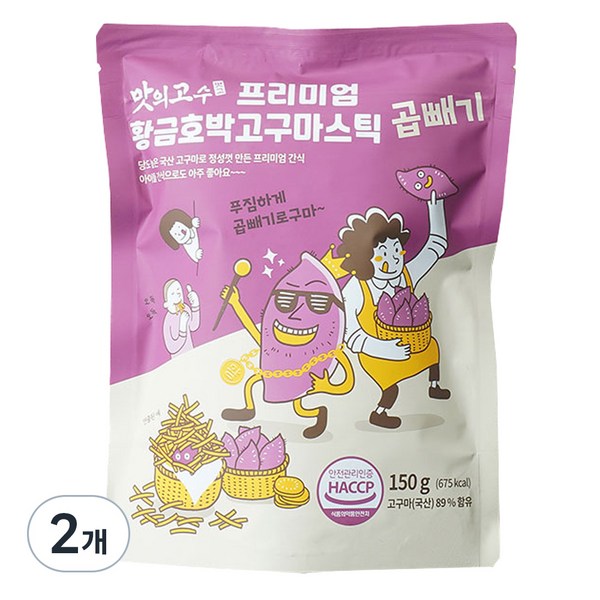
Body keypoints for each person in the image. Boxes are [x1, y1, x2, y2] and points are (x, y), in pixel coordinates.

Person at [338, 200, 450, 430]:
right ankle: (379, 413)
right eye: (382, 256)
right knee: (390, 384)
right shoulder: (355, 288)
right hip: (375, 352)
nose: (394, 260)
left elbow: (436, 247)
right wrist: (382, 348)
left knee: (433, 350)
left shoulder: (406, 273)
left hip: (414, 342)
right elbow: (349, 333)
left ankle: (434, 386)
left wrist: (435, 206)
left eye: (397, 252)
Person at [162, 279, 200, 358]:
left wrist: (195, 305)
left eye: (179, 291)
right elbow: (172, 348)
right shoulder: (168, 320)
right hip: (178, 359)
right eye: (173, 294)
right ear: (166, 303)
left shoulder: (186, 308)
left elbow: (193, 326)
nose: (178, 295)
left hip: (191, 352)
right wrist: (182, 328)